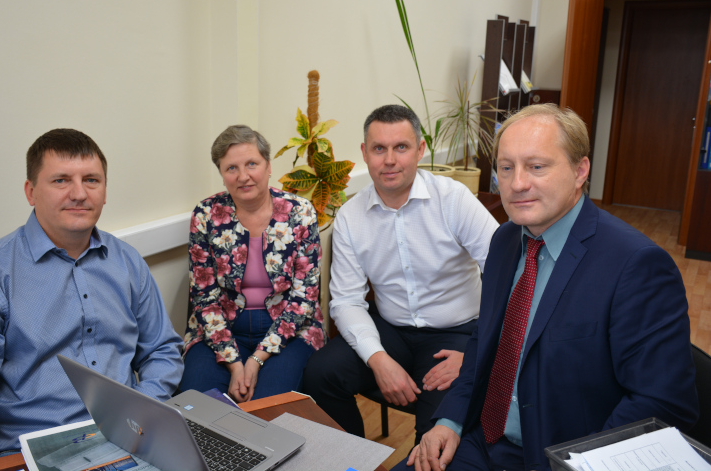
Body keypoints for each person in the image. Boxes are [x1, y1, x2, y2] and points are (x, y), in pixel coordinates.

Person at [397, 103, 699, 471]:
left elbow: (663, 401)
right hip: (481, 439)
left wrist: (578, 466)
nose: (517, 183)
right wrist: (451, 420)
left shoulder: (636, 265)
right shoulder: (506, 239)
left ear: (580, 170)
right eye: (506, 168)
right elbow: (484, 343)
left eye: (537, 167)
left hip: (560, 458)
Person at [0, 129, 184, 468]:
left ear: (104, 192)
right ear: (31, 192)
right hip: (37, 455)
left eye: (91, 180)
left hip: (131, 443)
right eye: (60, 180)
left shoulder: (128, 262)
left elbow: (162, 350)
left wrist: (142, 411)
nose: (79, 193)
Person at [303, 104, 499, 442]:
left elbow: (507, 276)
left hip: (457, 333)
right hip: (392, 329)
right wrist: (378, 359)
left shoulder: (454, 200)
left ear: (420, 150)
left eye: (401, 147)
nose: (389, 160)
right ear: (365, 153)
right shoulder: (351, 216)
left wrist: (475, 353)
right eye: (379, 148)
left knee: (435, 432)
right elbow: (347, 301)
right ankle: (357, 464)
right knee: (320, 376)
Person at [180, 125, 326, 403]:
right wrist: (234, 363)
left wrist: (256, 360)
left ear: (269, 166)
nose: (243, 176)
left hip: (290, 328)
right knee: (199, 405)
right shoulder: (206, 214)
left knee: (266, 408)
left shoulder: (300, 212)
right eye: (231, 168)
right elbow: (204, 297)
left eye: (252, 164)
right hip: (220, 328)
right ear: (222, 174)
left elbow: (304, 299)